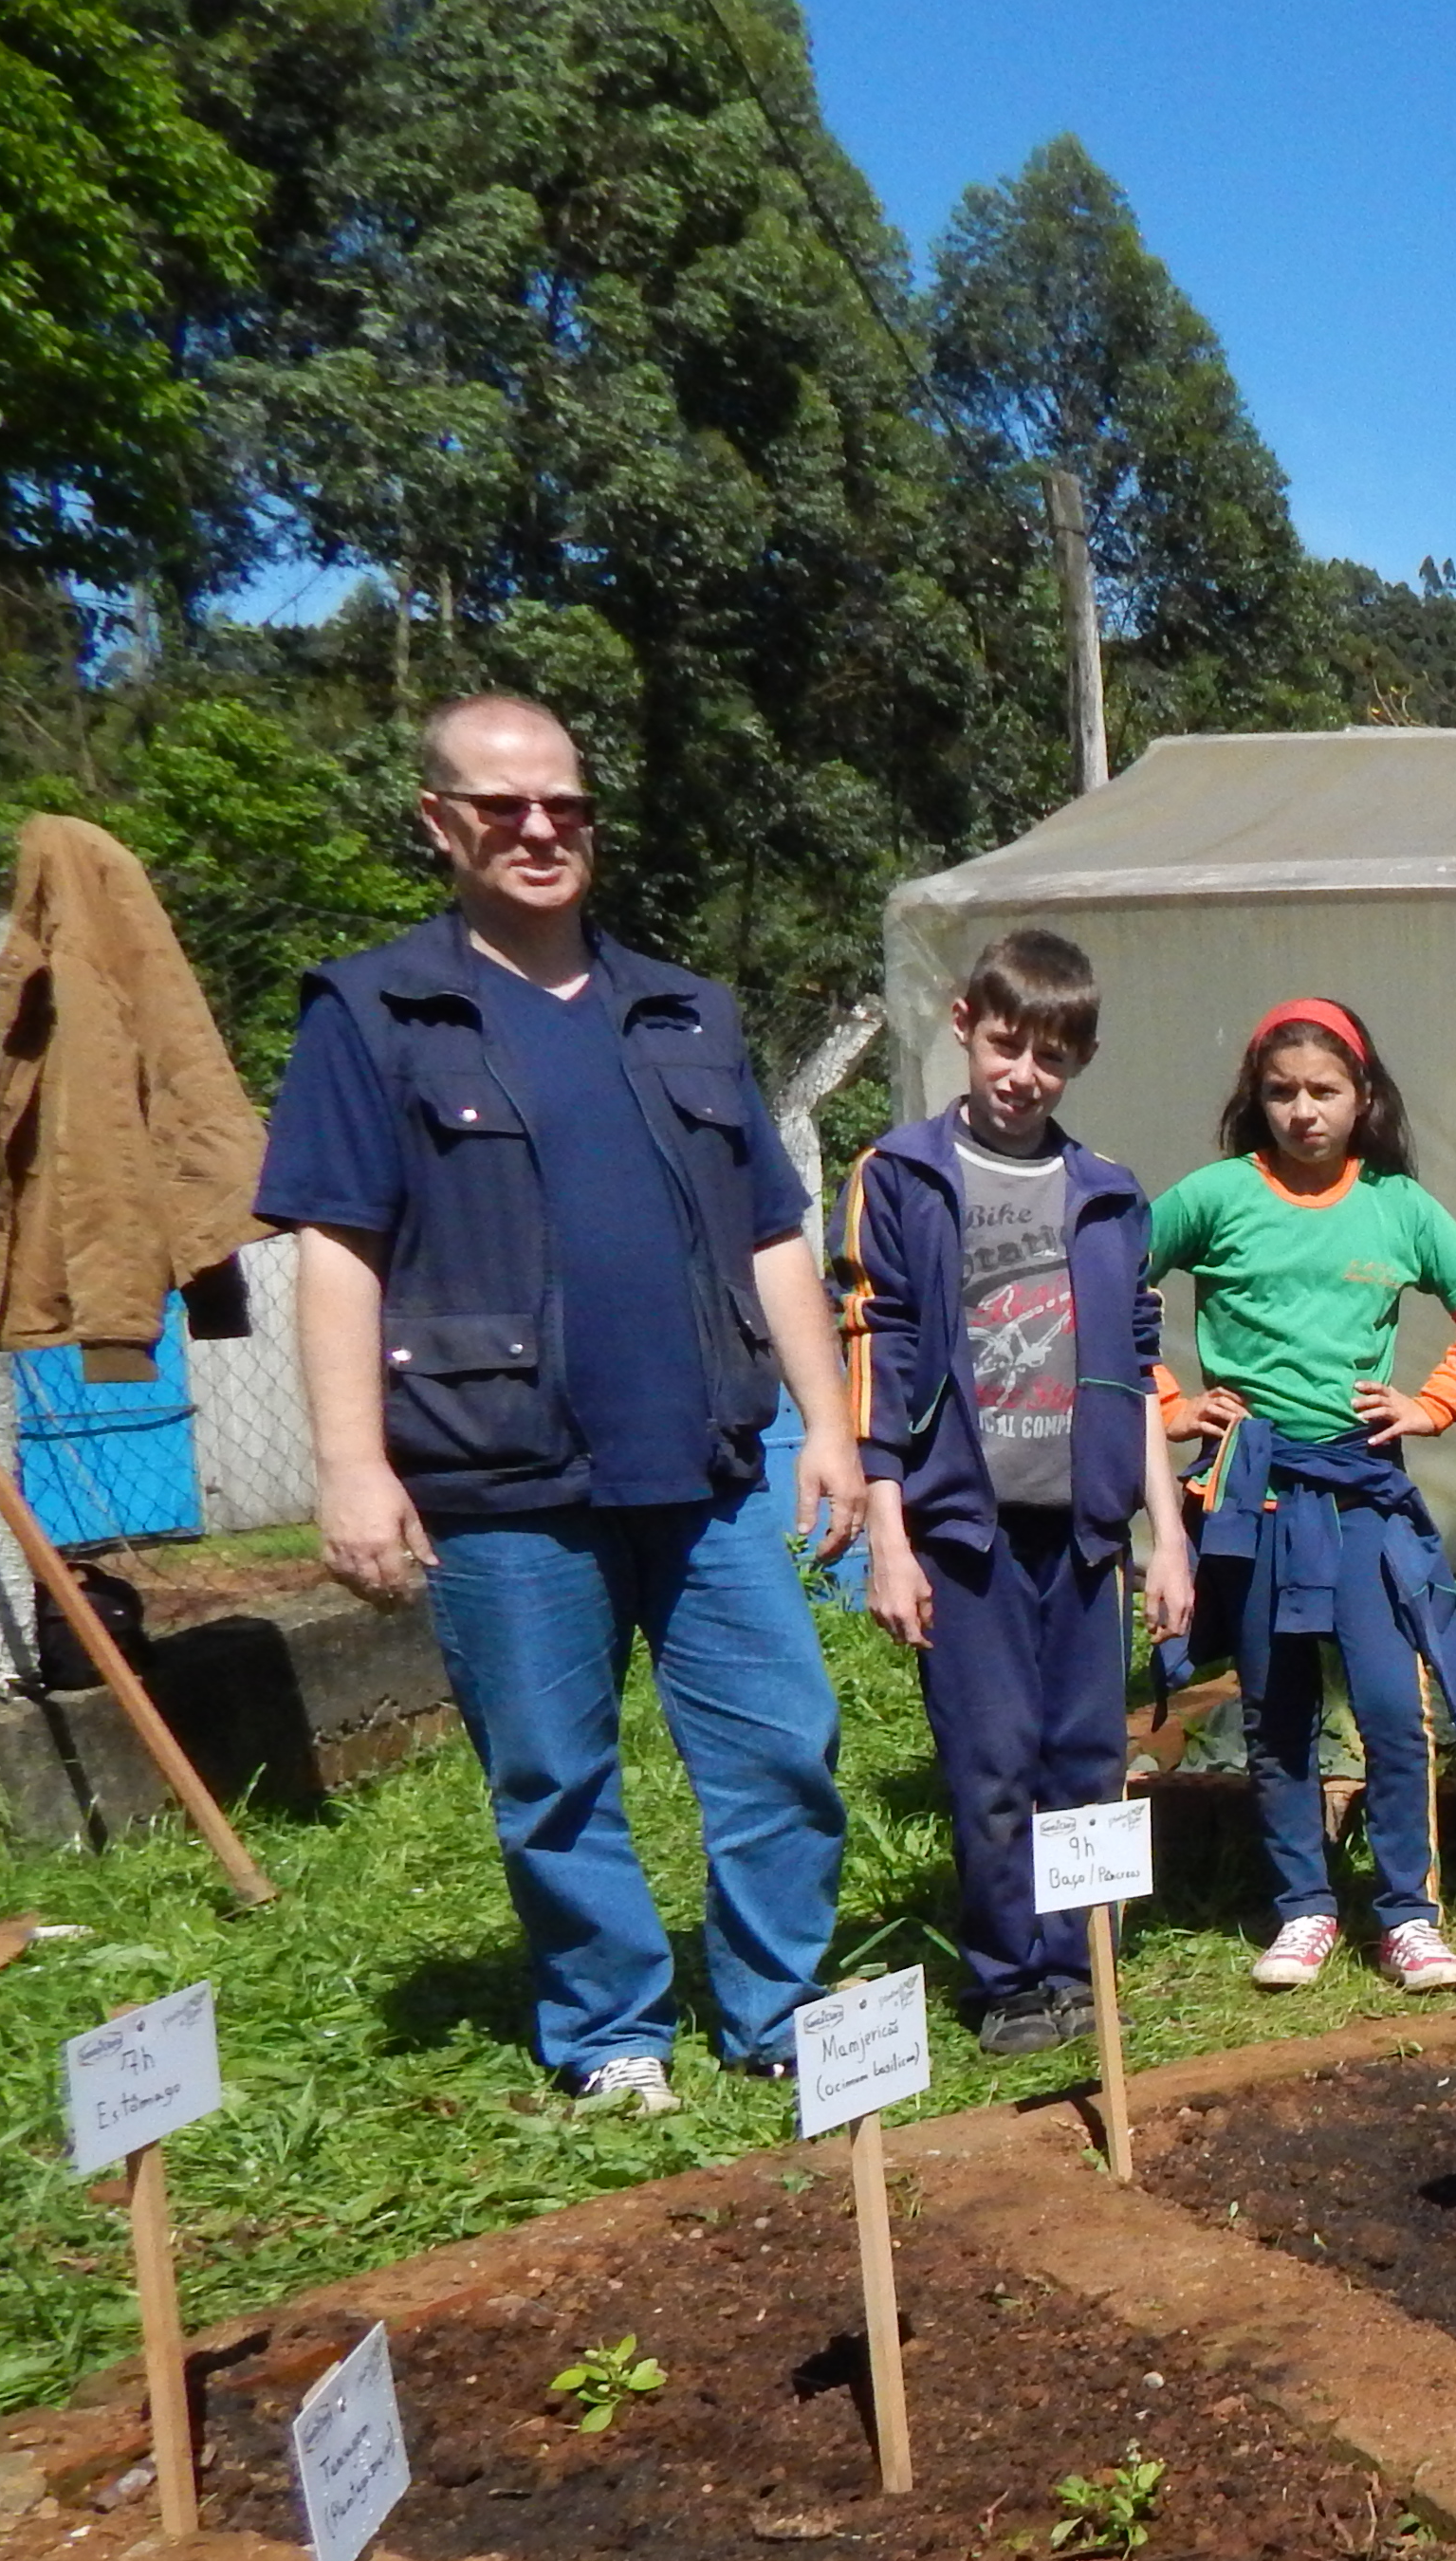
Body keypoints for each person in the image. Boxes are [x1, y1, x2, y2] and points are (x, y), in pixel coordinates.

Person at [260, 693, 858, 2116]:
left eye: (565, 805)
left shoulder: (683, 1010)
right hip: (499, 1474)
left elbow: (773, 1233)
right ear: (439, 823)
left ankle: (778, 2011)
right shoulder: (377, 1012)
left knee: (784, 1744)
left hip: (706, 1464)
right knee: (553, 1776)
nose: (539, 829)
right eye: (502, 805)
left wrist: (832, 1426)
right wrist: (352, 1464)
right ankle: (611, 2030)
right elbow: (338, 1247)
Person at [839, 930, 1193, 2055]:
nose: (1023, 1075)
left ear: (1080, 1060)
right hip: (963, 1532)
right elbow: (879, 1350)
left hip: (1084, 1534)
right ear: (964, 1026)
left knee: (1087, 1760)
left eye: (1051, 1056)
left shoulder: (1109, 1194)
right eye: (1006, 1045)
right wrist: (889, 1536)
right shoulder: (901, 1176)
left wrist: (1166, 1532)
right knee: (991, 1764)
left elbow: (1139, 1370)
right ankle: (1006, 1979)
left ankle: (1082, 1965)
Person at [1150, 1000, 1456, 1998]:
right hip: (1252, 1490)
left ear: (1362, 1097)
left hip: (1361, 1490)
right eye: (1282, 1092)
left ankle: (1409, 1916)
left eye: (1324, 1091)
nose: (1304, 1111)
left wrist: (1432, 1404)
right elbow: (1106, 1280)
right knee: (1276, 1706)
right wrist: (1170, 1403)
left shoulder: (1399, 1206)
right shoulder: (1214, 1196)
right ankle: (1302, 1906)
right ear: (1256, 1100)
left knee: (1390, 1704)